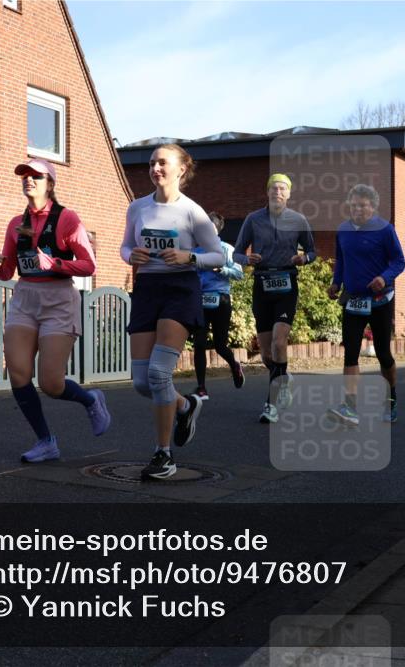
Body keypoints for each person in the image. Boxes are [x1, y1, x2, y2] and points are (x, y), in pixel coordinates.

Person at [0, 159, 110, 463]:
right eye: (25, 176)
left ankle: (90, 399)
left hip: (58, 300)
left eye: (36, 176)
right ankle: (46, 441)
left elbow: (89, 264)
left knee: (51, 383)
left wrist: (54, 263)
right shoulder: (17, 224)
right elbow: (8, 272)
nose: (29, 180)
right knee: (18, 372)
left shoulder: (67, 219)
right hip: (26, 297)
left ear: (50, 183)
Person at [121, 144, 225, 480]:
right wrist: (130, 256)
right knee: (140, 382)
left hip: (180, 290)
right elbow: (125, 245)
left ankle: (163, 455)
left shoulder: (193, 212)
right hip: (148, 289)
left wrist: (189, 258)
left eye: (162, 163)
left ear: (181, 169)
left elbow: (219, 256)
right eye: (152, 163)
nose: (155, 168)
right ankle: (186, 405)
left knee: (158, 374)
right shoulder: (137, 208)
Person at [233, 173, 316, 424]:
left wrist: (304, 258)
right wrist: (247, 260)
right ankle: (283, 377)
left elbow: (312, 251)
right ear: (267, 193)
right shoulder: (253, 219)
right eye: (273, 188)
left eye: (282, 189)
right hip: (262, 283)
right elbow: (236, 253)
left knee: (280, 342)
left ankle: (271, 404)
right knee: (268, 354)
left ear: (289, 194)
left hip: (287, 282)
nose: (277, 192)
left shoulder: (299, 220)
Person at [326, 184, 405, 425]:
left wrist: (384, 278)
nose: (358, 209)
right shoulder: (343, 230)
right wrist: (336, 283)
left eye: (363, 205)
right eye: (354, 205)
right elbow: (341, 261)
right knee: (350, 353)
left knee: (383, 353)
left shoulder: (385, 230)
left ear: (373, 207)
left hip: (380, 300)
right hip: (353, 300)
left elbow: (399, 261)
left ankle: (390, 399)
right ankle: (350, 407)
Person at [191, 212, 246, 400]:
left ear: (217, 230)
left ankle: (234, 365)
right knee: (199, 343)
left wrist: (221, 269)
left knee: (220, 345)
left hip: (221, 299)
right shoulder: (196, 252)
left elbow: (239, 274)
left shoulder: (226, 249)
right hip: (200, 300)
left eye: (210, 228)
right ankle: (201, 387)